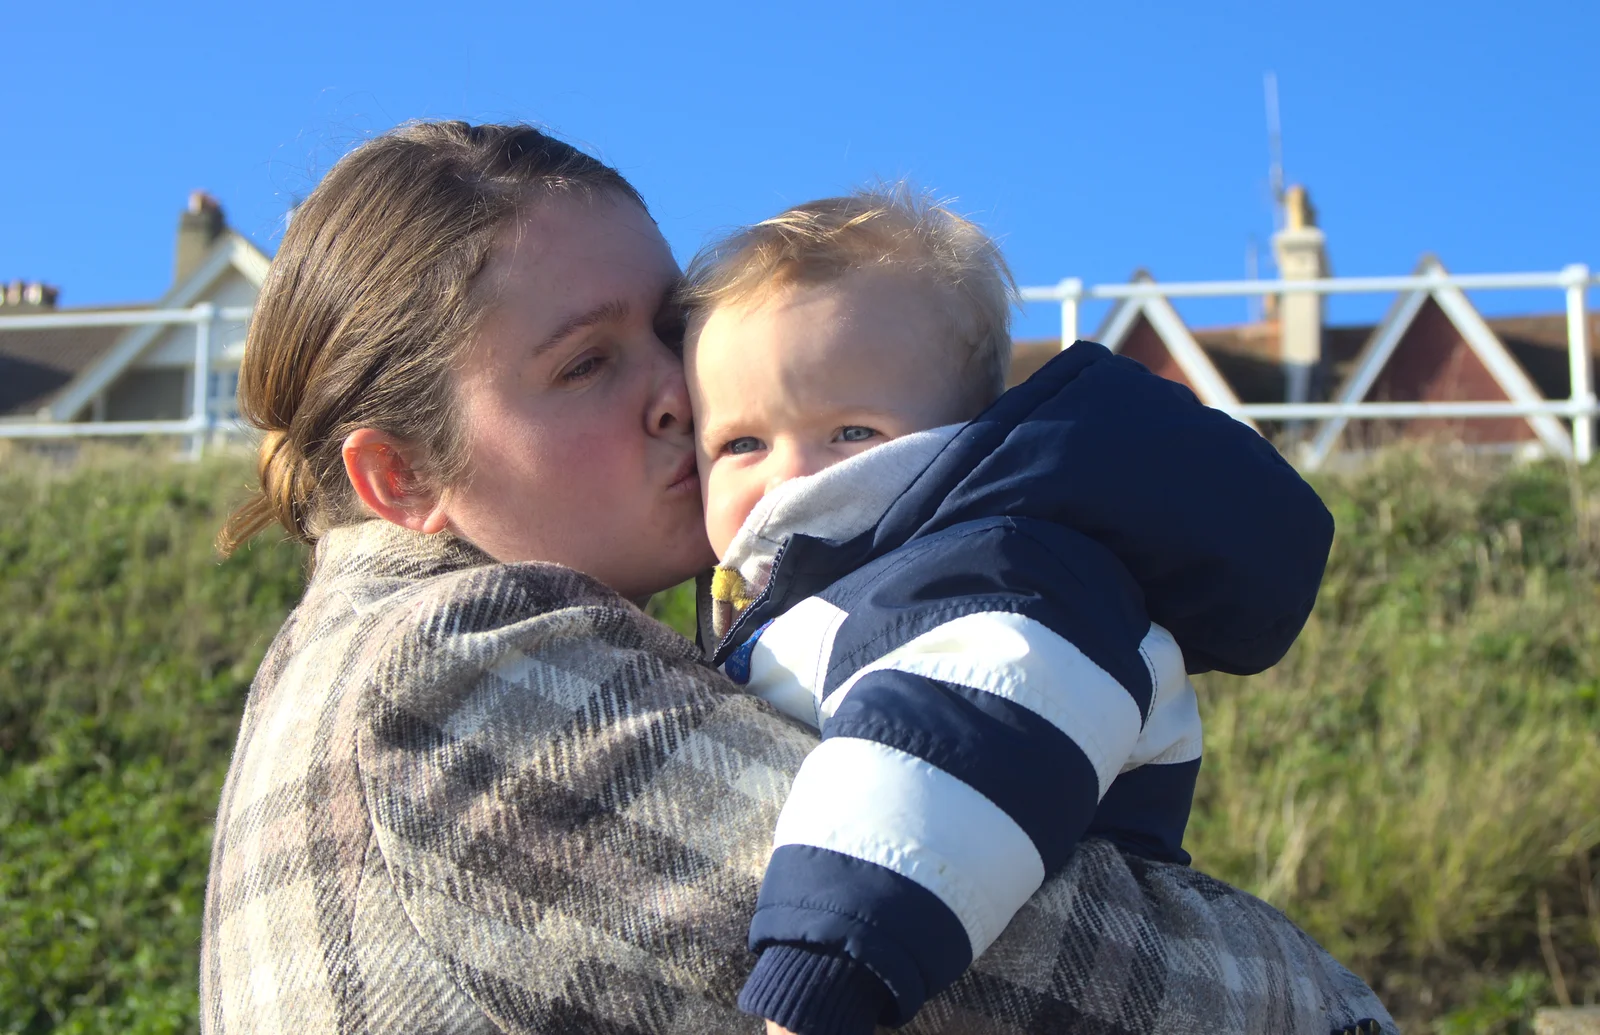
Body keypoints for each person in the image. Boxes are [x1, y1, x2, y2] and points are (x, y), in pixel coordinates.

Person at [202, 119, 1395, 1035]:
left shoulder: (335, 674)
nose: (683, 389)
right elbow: (1031, 965)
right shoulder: (447, 669)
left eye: (669, 329)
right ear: (399, 476)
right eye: (585, 364)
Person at [680, 192, 1390, 1034]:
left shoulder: (999, 570)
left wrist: (822, 977)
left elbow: (945, 749)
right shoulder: (840, 584)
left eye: (851, 431)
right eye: (741, 444)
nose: (789, 476)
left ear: (965, 433)